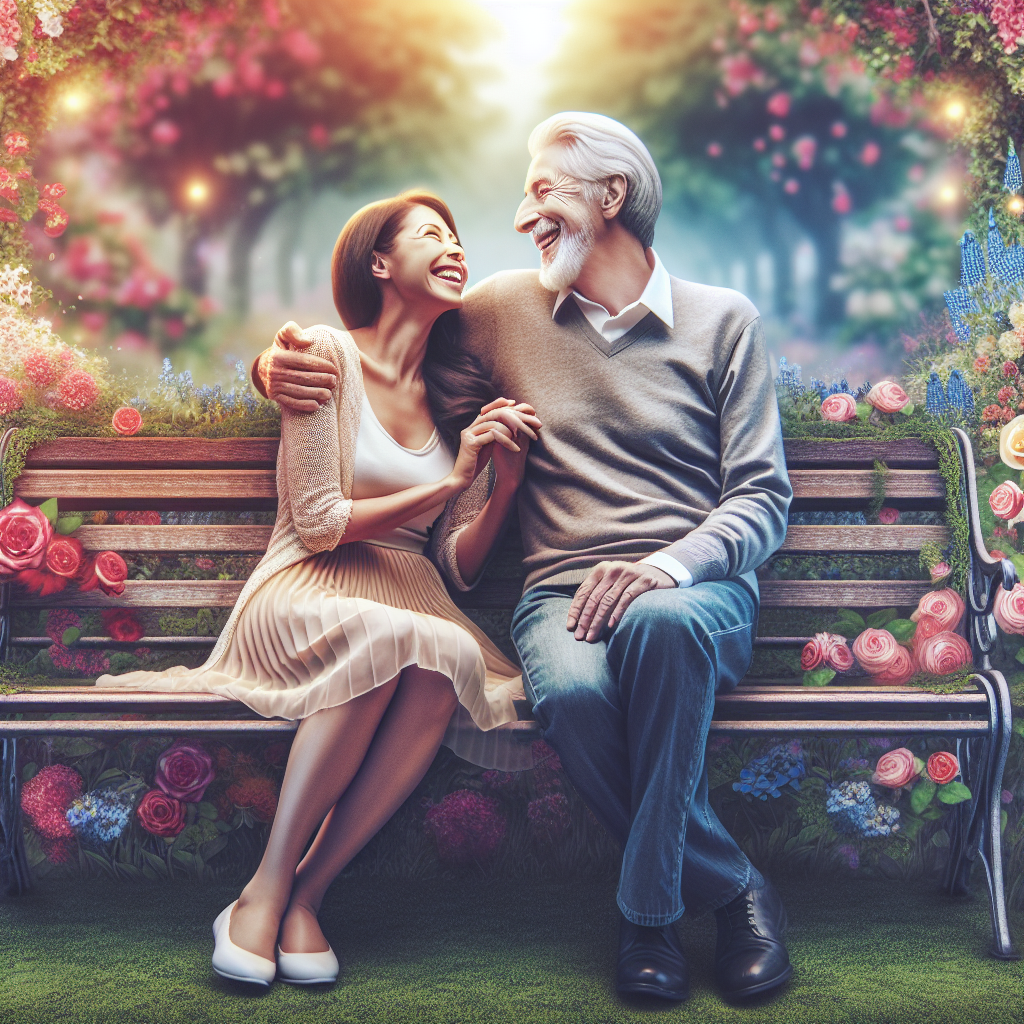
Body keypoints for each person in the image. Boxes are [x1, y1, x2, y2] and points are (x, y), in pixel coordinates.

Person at [254, 112, 795, 1004]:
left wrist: (665, 568)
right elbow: (388, 345)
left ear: (610, 196)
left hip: (697, 591)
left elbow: (761, 497)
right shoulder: (503, 309)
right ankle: (735, 889)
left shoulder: (723, 322)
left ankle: (650, 918)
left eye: (541, 190)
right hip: (561, 595)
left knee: (659, 624)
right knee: (576, 692)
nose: (518, 217)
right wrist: (274, 364)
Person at [95, 191, 542, 988]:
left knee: (437, 652)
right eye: (431, 236)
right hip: (305, 584)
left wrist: (499, 482)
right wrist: (452, 482)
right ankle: (263, 891)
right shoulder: (321, 357)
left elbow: (460, 570)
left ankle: (305, 894)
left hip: (412, 599)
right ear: (380, 262)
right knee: (385, 640)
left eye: (457, 239)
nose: (454, 249)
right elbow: (320, 520)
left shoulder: (453, 402)